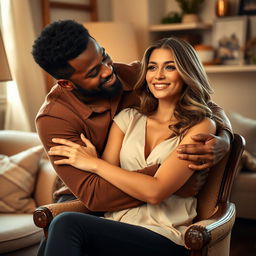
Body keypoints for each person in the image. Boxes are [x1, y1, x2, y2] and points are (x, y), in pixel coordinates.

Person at [44, 37, 224, 255]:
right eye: (152, 67)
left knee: (66, 224)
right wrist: (137, 178)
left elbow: (156, 192)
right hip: (116, 227)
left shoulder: (200, 125)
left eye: (170, 67)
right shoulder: (127, 118)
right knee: (55, 235)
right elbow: (104, 187)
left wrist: (94, 163)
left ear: (187, 73)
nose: (158, 75)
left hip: (164, 235)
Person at [32, 20, 232, 212]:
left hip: (151, 201)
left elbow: (204, 105)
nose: (108, 70)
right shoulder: (54, 120)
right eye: (94, 72)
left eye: (104, 56)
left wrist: (225, 138)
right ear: (67, 83)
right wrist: (174, 181)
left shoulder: (138, 74)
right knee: (64, 225)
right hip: (82, 198)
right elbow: (95, 196)